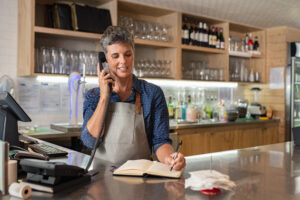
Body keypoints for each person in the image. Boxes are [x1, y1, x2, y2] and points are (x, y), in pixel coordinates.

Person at [80, 26, 185, 171]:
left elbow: (160, 141)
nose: (123, 61)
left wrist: (169, 158)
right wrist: (105, 96)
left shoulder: (152, 93)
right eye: (115, 56)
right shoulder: (94, 96)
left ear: (133, 55)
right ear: (105, 60)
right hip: (102, 178)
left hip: (141, 177)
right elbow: (90, 141)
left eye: (127, 54)